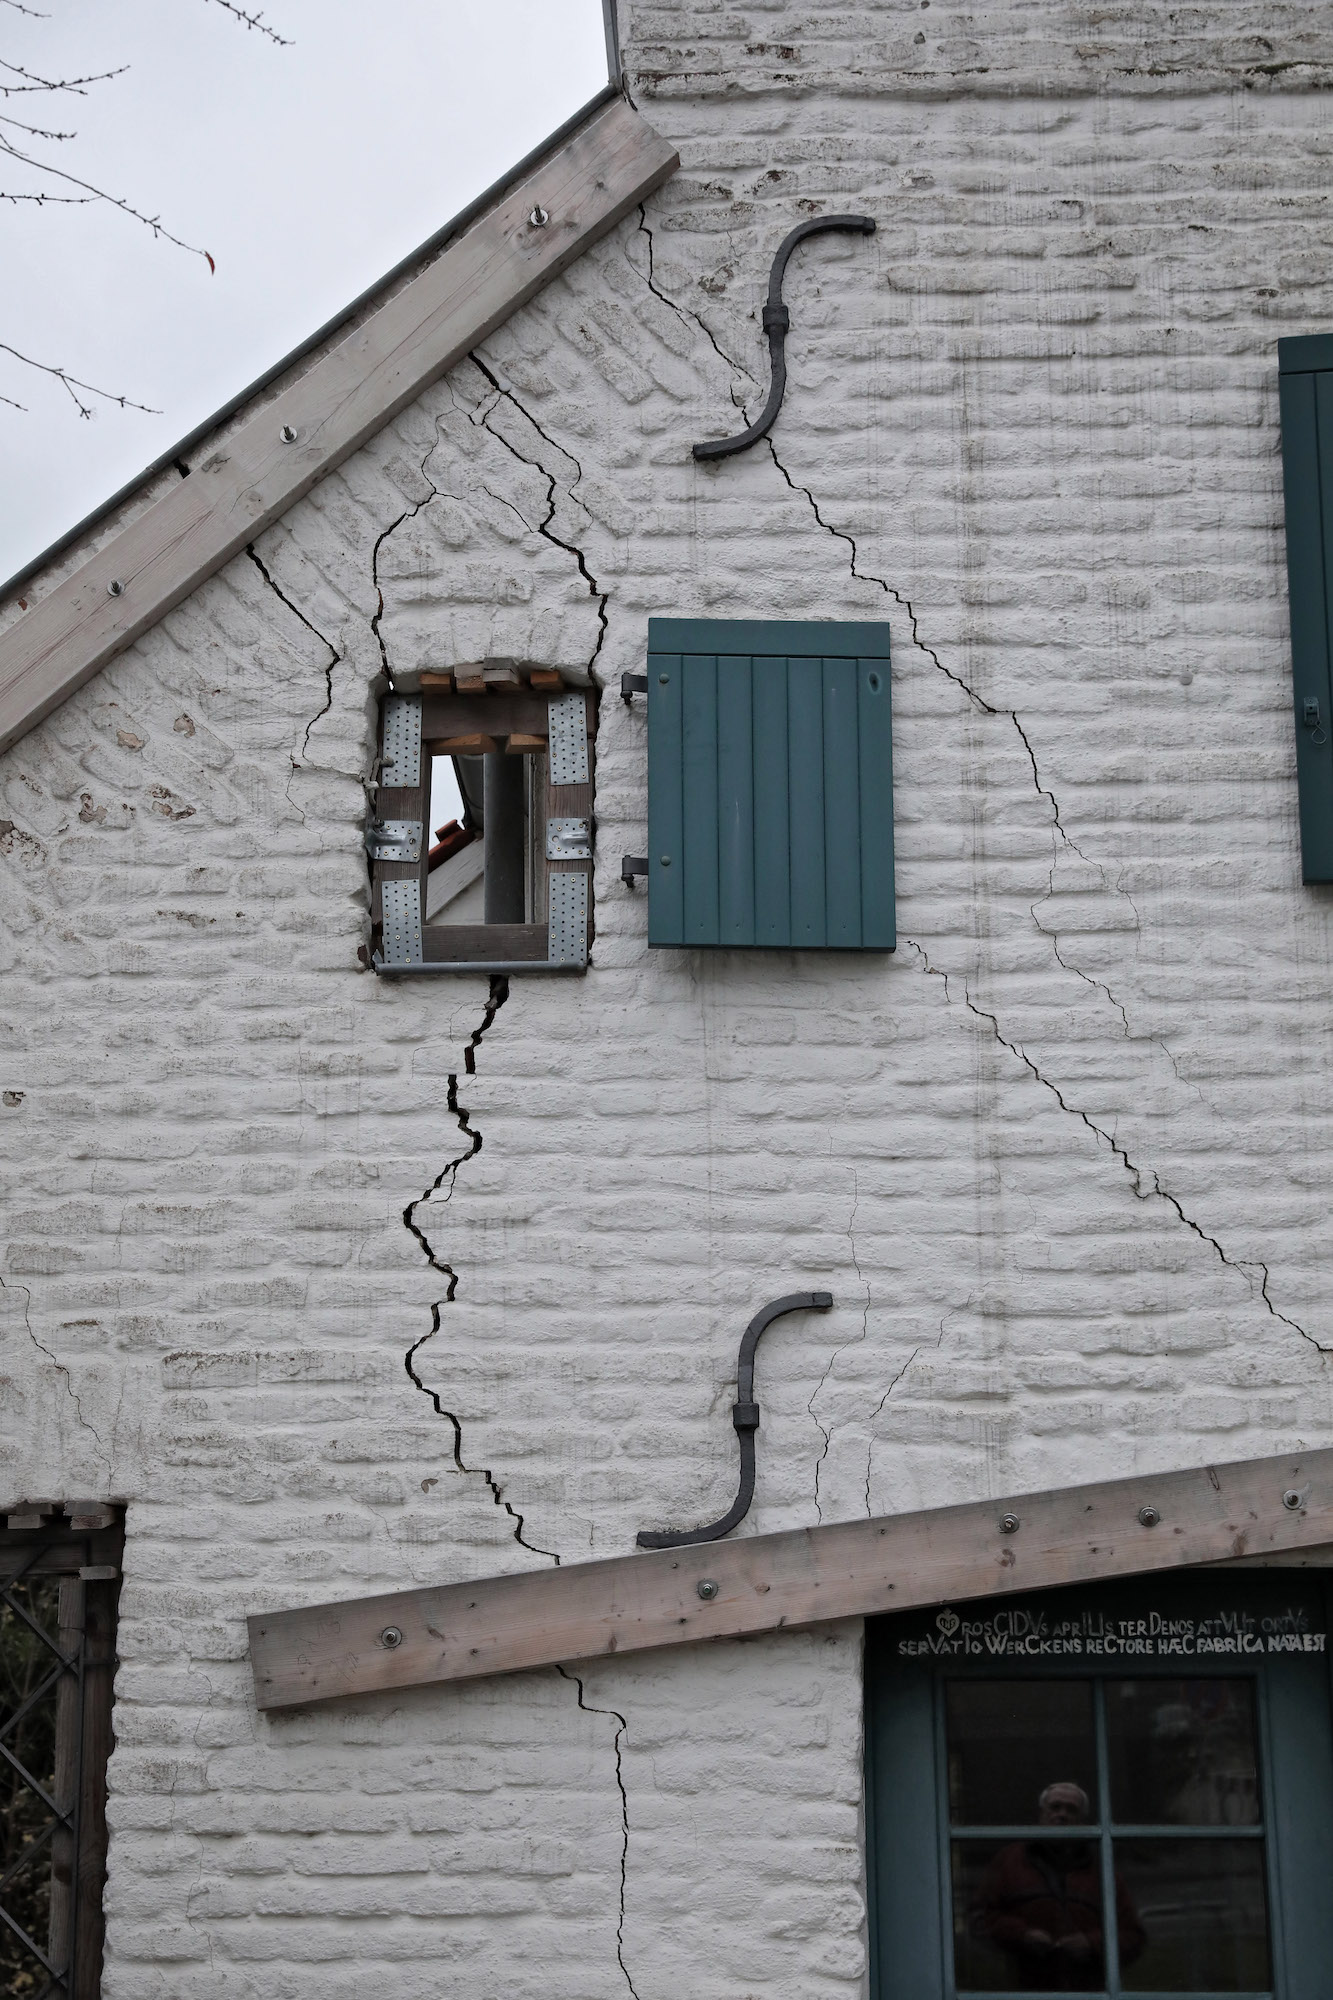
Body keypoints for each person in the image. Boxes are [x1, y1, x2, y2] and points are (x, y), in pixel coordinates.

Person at [969, 1781, 1145, 1992]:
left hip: (1087, 1992)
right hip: (1024, 1991)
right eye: (1055, 1807)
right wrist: (1021, 1935)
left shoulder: (1102, 1870)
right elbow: (980, 1919)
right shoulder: (1010, 1861)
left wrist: (1092, 1944)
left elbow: (1133, 1936)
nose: (1062, 1815)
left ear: (1082, 1822)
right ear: (1041, 1815)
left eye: (1071, 1810)